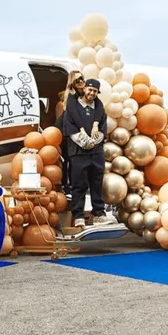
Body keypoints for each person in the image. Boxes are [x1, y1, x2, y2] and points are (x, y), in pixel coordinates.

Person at [63, 78, 111, 227]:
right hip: (78, 152)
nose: (91, 93)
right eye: (89, 90)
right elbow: (70, 129)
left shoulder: (99, 109)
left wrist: (94, 142)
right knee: (79, 185)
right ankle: (78, 216)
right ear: (84, 89)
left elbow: (103, 129)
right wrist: (85, 142)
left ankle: (99, 213)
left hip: (96, 153)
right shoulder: (73, 107)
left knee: (97, 183)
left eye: (95, 91)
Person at [54, 71, 85, 197]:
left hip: (74, 131)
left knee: (73, 160)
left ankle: (71, 185)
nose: (81, 81)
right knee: (69, 159)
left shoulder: (82, 95)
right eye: (78, 79)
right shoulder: (68, 97)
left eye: (82, 78)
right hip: (67, 131)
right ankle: (67, 186)